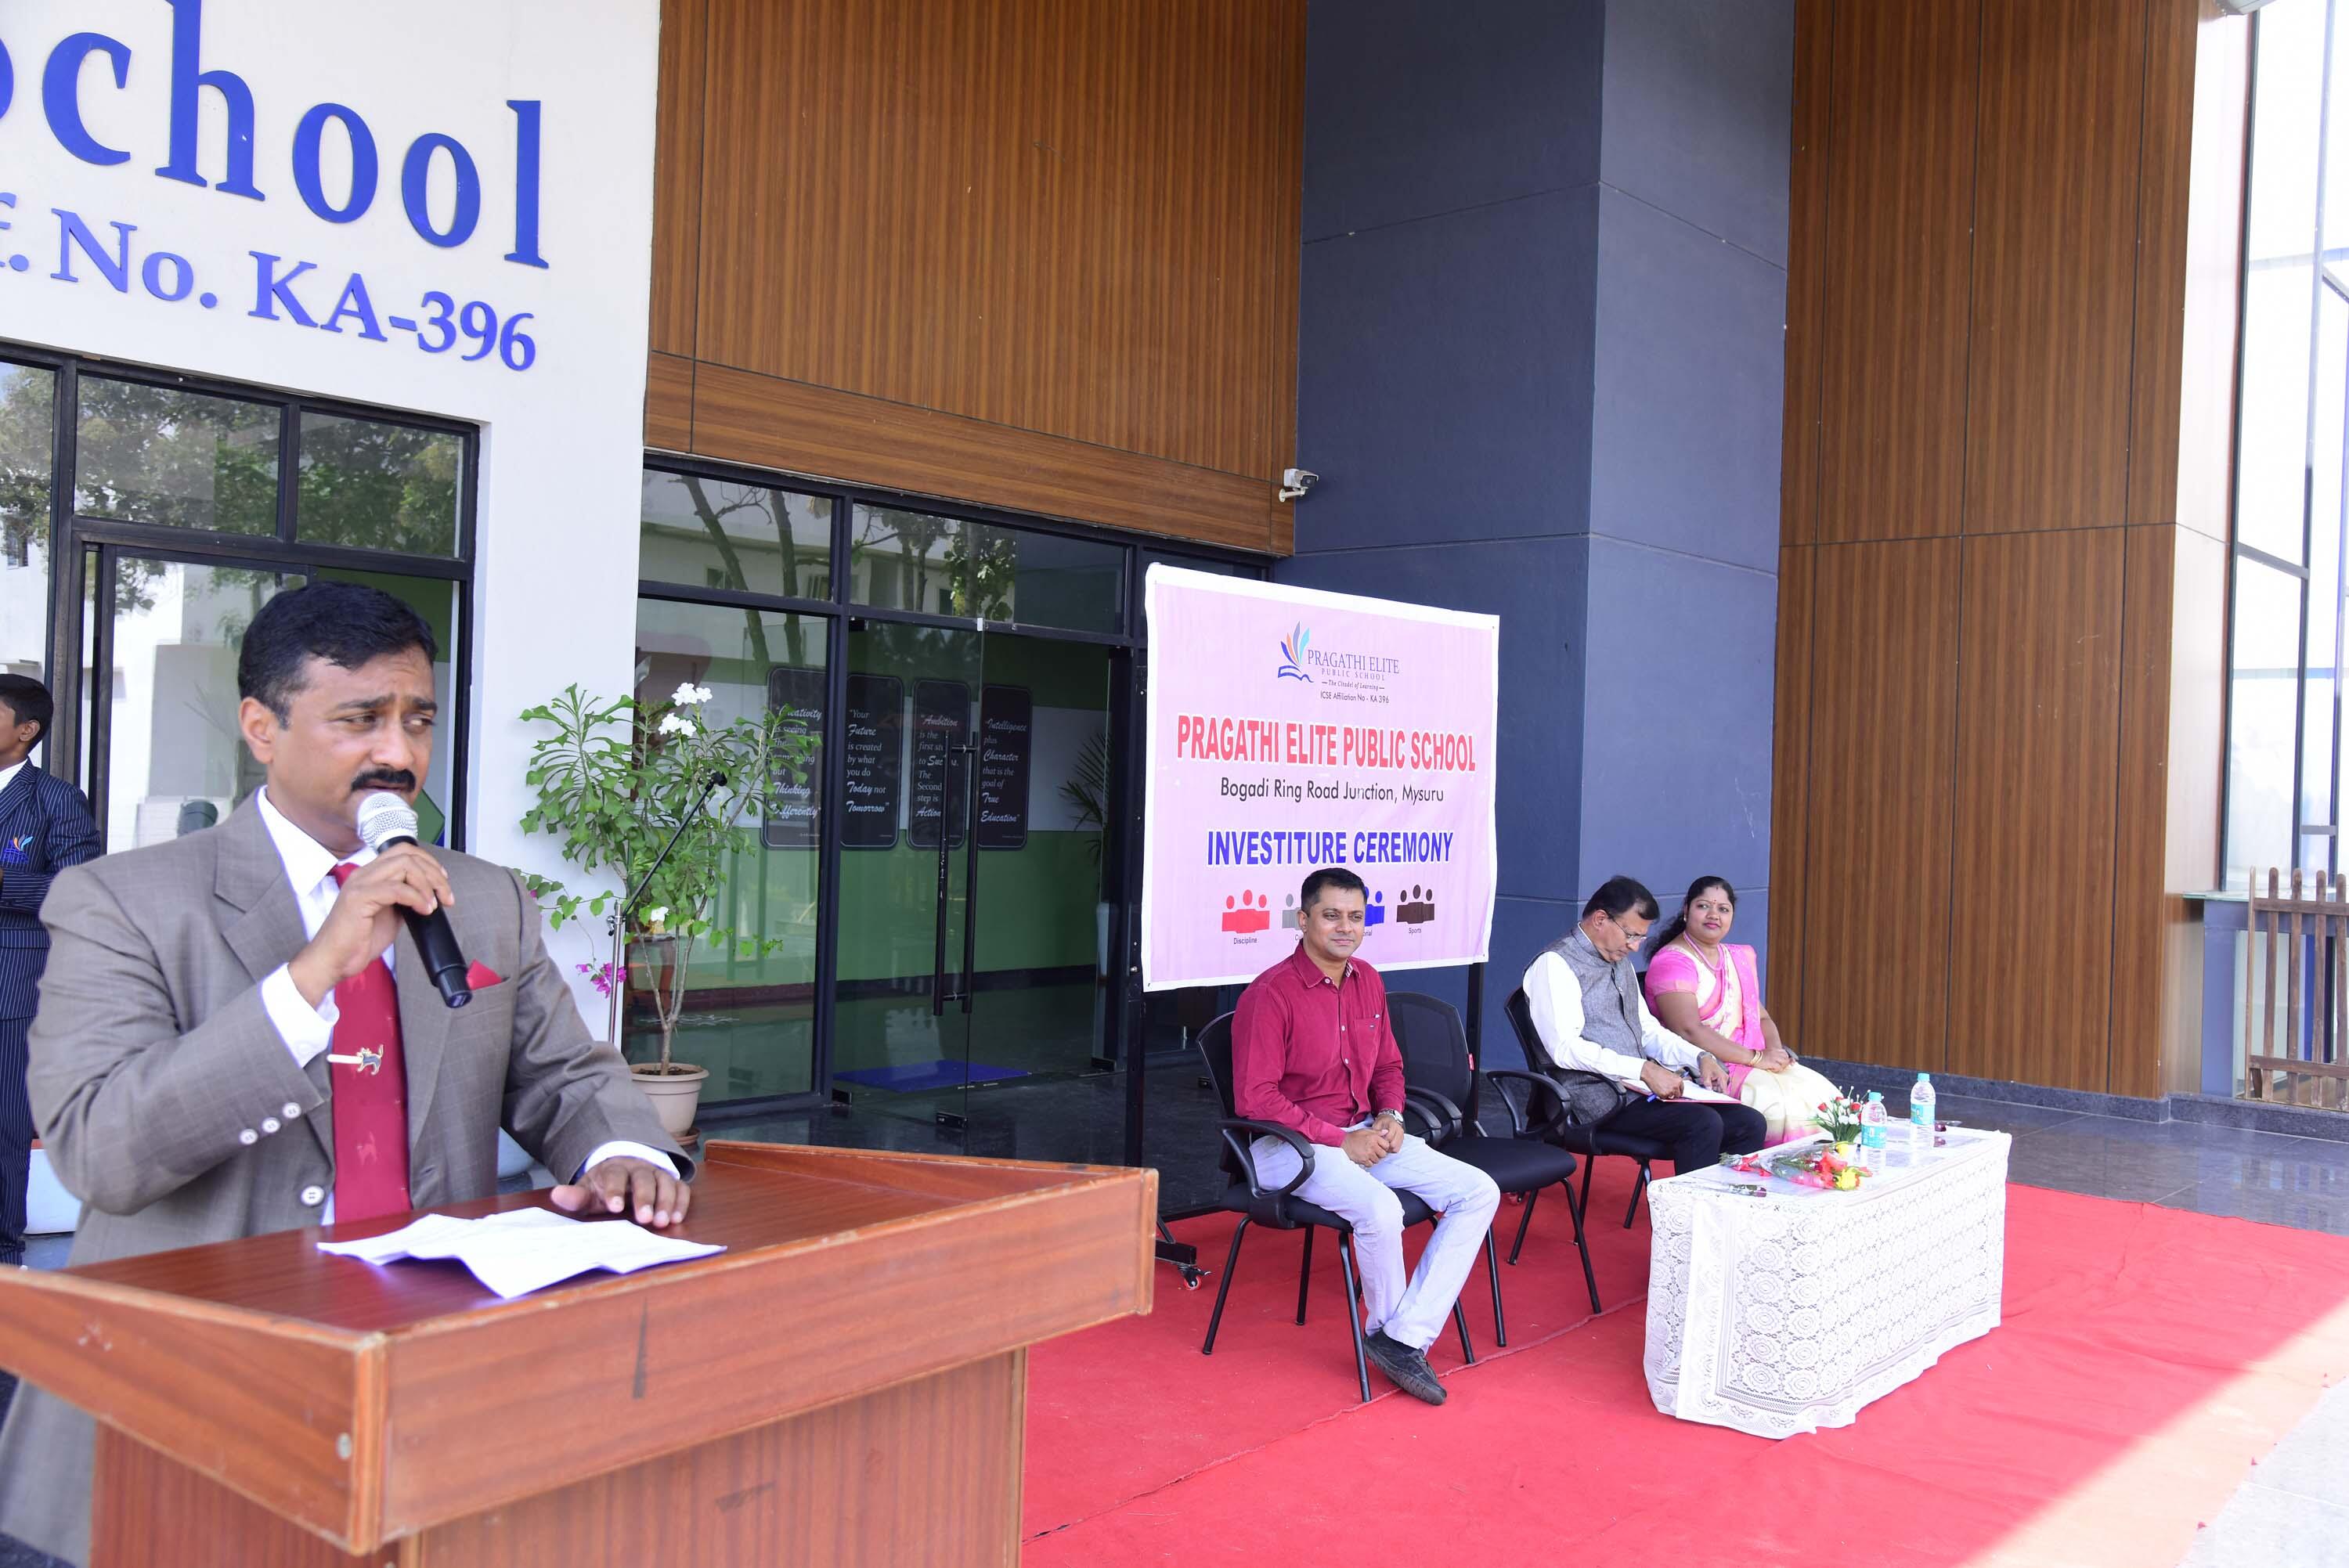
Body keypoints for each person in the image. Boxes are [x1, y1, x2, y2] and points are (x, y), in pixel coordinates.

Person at [0, 583, 693, 1567]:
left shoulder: (484, 896)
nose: (398, 752)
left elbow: (565, 1073)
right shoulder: (121, 899)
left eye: (418, 719)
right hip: (186, 1402)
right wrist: (311, 975)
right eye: (360, 719)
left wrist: (624, 1149)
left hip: (427, 1385)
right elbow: (102, 1151)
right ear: (262, 727)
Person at [1231, 867, 1499, 1405]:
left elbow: (1388, 1067)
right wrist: (1338, 1138)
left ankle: (1401, 1338)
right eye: (1331, 915)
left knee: (1479, 1191)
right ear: (1303, 919)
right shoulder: (1271, 994)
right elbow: (1255, 1099)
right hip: (1287, 1145)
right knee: (1380, 1209)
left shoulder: (1368, 980)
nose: (1345, 927)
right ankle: (1392, 1336)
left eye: (1355, 917)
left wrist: (1392, 1116)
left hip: (1360, 1134)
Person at [1521, 876, 1768, 1173]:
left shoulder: (1618, 960)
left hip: (1637, 1089)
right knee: (1702, 1123)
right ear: (1600, 919)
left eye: (1640, 938)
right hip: (1593, 1099)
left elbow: (1648, 1031)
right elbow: (1565, 1049)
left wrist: (1700, 1057)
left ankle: (1728, 1201)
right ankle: (1689, 1204)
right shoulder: (1555, 963)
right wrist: (1643, 1069)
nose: (1635, 947)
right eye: (1631, 935)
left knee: (1749, 1122)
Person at [0, 676, 101, 1271]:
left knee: (4, 1130)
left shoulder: (54, 799)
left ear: (26, 730)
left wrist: (6, 882)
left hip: (11, 989)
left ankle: (5, 1260)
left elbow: (81, 891)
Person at [1643, 875, 1838, 1144]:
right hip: (1706, 1068)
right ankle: (1775, 1169)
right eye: (1703, 906)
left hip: (1751, 1060)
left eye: (1723, 909)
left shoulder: (1735, 958)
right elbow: (1688, 1030)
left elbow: (1762, 1017)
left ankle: (1825, 1169)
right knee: (1782, 1106)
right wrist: (1757, 1059)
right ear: (1686, 910)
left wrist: (1775, 1054)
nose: (1714, 915)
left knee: (1823, 1096)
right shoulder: (1673, 962)